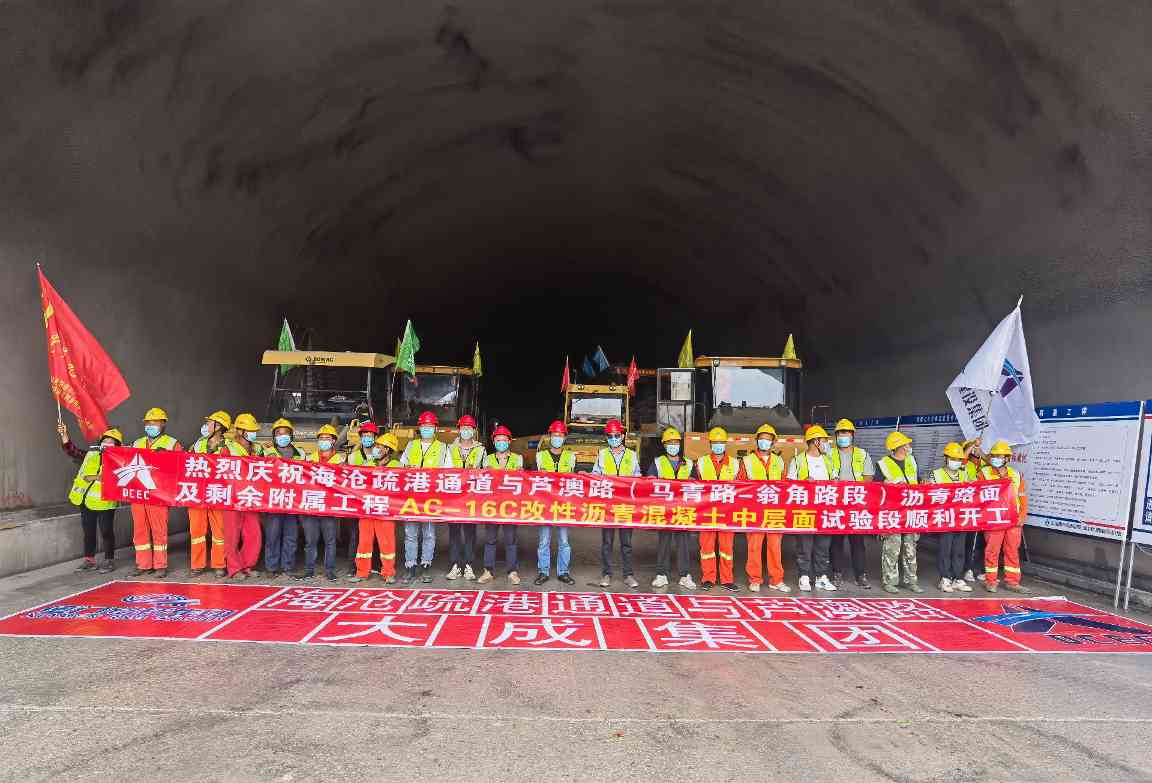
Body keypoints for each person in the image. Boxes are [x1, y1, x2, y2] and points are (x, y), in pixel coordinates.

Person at [189, 411, 246, 576]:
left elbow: (244, 467)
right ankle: (197, 564)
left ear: (219, 426)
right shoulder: (198, 444)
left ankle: (219, 564)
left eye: (210, 423)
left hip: (220, 494)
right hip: (198, 493)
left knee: (219, 531)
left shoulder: (233, 447)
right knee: (197, 530)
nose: (207, 426)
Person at [61, 423, 123, 573]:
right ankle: (89, 560)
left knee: (106, 531)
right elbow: (73, 452)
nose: (106, 444)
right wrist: (64, 435)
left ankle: (109, 561)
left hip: (105, 502)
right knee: (88, 532)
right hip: (85, 500)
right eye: (104, 440)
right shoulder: (91, 454)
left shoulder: (120, 460)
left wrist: (94, 477)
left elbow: (116, 477)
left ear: (117, 445)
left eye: (111, 442)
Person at [129, 407, 182, 578]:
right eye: (148, 423)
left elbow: (181, 466)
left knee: (159, 530)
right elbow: (125, 460)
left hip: (159, 494)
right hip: (139, 493)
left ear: (163, 424)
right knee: (139, 529)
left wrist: (167, 456)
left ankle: (160, 565)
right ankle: (143, 564)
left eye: (154, 422)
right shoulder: (136, 443)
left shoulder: (172, 443)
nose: (150, 425)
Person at [739, 423, 788, 593]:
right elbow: (740, 485)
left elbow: (784, 486)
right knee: (754, 546)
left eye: (768, 440)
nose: (765, 442)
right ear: (757, 441)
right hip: (754, 510)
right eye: (762, 439)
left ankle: (776, 579)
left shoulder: (779, 461)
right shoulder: (746, 461)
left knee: (775, 547)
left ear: (773, 443)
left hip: (775, 511)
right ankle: (755, 579)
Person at [787, 425, 837, 592]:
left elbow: (835, 482)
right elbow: (789, 485)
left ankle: (821, 576)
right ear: (816, 442)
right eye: (824, 441)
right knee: (805, 546)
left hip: (825, 510)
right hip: (805, 510)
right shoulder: (798, 460)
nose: (826, 444)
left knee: (823, 546)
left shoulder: (829, 460)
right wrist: (803, 482)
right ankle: (804, 576)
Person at [592, 418, 640, 588]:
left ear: (623, 435)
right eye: (610, 436)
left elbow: (638, 478)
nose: (613, 438)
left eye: (616, 435)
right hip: (608, 506)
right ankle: (606, 574)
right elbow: (595, 476)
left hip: (625, 506)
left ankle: (628, 575)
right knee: (607, 542)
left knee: (626, 543)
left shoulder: (632, 455)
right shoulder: (602, 454)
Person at [827, 418, 874, 588]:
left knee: (858, 542)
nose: (843, 435)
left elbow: (868, 477)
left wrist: (854, 491)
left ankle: (860, 575)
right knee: (836, 542)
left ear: (852, 435)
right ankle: (837, 573)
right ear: (836, 435)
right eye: (840, 433)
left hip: (856, 504)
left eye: (846, 432)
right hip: (836, 503)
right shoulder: (829, 454)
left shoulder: (863, 454)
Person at [349, 432, 401, 583]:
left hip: (385, 510)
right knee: (364, 541)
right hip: (367, 508)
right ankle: (361, 572)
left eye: (380, 447)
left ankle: (388, 572)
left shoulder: (396, 466)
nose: (376, 449)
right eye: (376, 446)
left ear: (388, 450)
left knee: (387, 542)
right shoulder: (368, 464)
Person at [399, 410, 445, 583]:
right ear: (419, 428)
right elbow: (401, 469)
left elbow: (448, 473)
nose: (427, 429)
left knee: (429, 534)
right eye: (424, 426)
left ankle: (426, 565)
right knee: (410, 533)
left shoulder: (442, 448)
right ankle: (410, 566)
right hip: (411, 497)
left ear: (435, 429)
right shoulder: (411, 446)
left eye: (430, 426)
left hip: (431, 497)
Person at [648, 427, 696, 590]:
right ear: (664, 445)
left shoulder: (688, 463)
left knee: (683, 543)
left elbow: (696, 484)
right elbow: (649, 482)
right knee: (664, 543)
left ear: (680, 444)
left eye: (676, 442)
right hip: (665, 509)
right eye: (670, 443)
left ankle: (684, 575)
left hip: (683, 510)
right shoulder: (657, 462)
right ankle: (661, 574)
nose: (673, 445)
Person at [876, 430, 923, 593]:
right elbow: (875, 491)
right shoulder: (882, 464)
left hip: (911, 511)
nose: (909, 446)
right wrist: (885, 483)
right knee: (892, 548)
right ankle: (890, 581)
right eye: (907, 444)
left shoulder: (912, 461)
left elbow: (918, 480)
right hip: (892, 513)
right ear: (900, 447)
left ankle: (911, 580)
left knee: (911, 549)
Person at [696, 426, 740, 592]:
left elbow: (742, 488)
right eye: (715, 442)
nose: (718, 445)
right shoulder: (701, 462)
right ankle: (708, 577)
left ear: (725, 444)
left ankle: (727, 579)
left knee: (727, 548)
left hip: (727, 512)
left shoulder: (735, 464)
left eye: (721, 442)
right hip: (707, 511)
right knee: (706, 547)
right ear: (710, 444)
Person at [981, 440, 1028, 593]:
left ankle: (1012, 582)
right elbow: (978, 497)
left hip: (1013, 519)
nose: (996, 458)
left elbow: (1022, 496)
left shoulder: (1016, 475)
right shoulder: (984, 473)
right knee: (992, 550)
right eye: (994, 456)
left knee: (1012, 550)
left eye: (1000, 456)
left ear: (1007, 459)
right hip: (994, 519)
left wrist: (1022, 515)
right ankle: (991, 581)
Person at [535, 420, 577, 586]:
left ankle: (563, 572)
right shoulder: (540, 456)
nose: (557, 438)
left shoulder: (571, 457)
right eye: (554, 435)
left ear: (564, 437)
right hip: (545, 505)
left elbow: (577, 480)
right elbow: (531, 481)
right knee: (544, 541)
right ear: (549, 436)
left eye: (560, 435)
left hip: (564, 505)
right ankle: (543, 572)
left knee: (564, 541)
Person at [479, 425, 522, 585]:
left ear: (509, 441)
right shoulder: (487, 459)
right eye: (498, 440)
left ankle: (512, 572)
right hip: (491, 505)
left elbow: (522, 480)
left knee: (511, 540)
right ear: (493, 441)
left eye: (504, 440)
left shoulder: (518, 459)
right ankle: (488, 571)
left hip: (510, 505)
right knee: (490, 539)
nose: (501, 443)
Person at [444, 414, 485, 581]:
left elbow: (485, 472)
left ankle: (468, 565)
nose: (466, 431)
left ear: (474, 431)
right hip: (453, 496)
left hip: (471, 496)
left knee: (470, 532)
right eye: (463, 428)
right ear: (458, 430)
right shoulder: (450, 448)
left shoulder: (481, 449)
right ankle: (455, 565)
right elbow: (445, 470)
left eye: (469, 428)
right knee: (454, 531)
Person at [301, 424, 344, 581]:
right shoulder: (309, 458)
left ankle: (329, 570)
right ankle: (308, 570)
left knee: (330, 541)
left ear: (333, 441)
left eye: (327, 438)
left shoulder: (340, 460)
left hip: (330, 506)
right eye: (321, 438)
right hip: (312, 504)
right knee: (310, 541)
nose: (324, 441)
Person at [931, 442, 974, 593]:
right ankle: (945, 578)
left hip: (961, 517)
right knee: (945, 548)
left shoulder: (964, 474)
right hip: (944, 517)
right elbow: (931, 496)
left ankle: (958, 578)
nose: (956, 461)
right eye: (953, 458)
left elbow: (971, 492)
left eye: (958, 459)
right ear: (946, 458)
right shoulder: (936, 474)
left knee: (959, 549)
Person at [226, 413, 265, 580]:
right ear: (240, 431)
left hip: (251, 496)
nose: (253, 433)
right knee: (232, 535)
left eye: (254, 430)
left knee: (254, 533)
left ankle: (247, 565)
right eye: (249, 430)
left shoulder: (257, 448)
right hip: (232, 497)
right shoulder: (228, 448)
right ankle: (234, 569)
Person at [265, 417, 305, 578]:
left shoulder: (300, 453)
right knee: (272, 535)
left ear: (291, 435)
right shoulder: (267, 452)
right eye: (279, 433)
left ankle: (287, 566)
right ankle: (271, 567)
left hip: (292, 501)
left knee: (291, 535)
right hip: (273, 499)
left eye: (285, 433)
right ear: (274, 437)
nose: (282, 436)